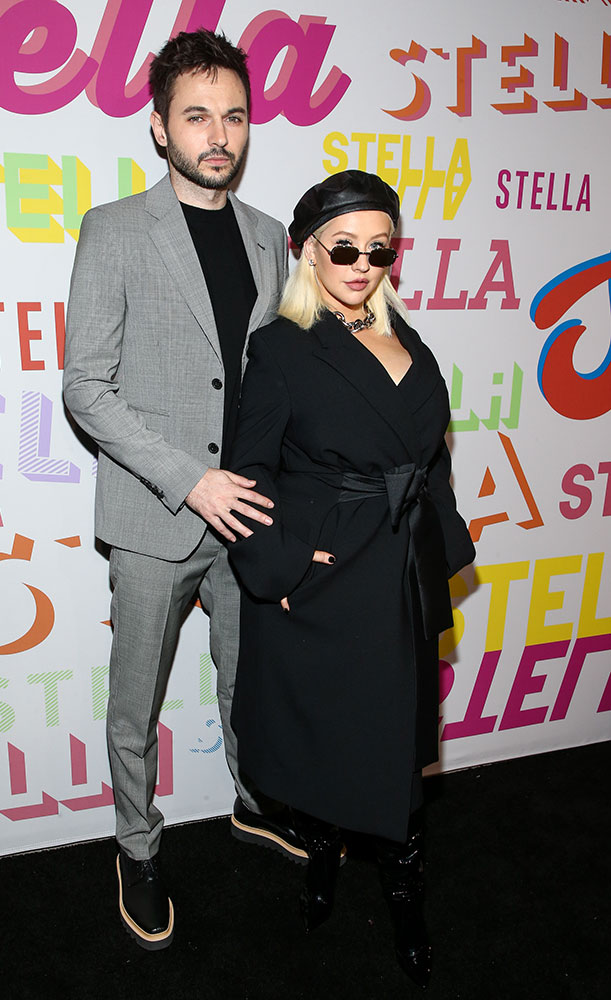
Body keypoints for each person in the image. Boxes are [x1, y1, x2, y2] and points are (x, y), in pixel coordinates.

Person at [63, 29, 301, 952]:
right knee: (137, 704)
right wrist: (189, 480)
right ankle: (137, 847)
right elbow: (87, 387)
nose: (218, 134)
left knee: (251, 682)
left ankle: (253, 802)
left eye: (233, 115)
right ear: (160, 127)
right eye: (197, 116)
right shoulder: (115, 229)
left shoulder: (269, 237)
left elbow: (276, 380)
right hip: (154, 512)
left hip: (252, 515)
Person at [227, 170, 476, 988]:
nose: (362, 264)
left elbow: (428, 461)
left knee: (394, 757)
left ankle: (404, 906)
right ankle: (322, 866)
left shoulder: (409, 339)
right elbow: (249, 472)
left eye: (379, 249)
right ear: (307, 249)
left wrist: (439, 549)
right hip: (327, 581)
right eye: (344, 248)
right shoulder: (279, 347)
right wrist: (284, 564)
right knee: (325, 749)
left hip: (397, 573)